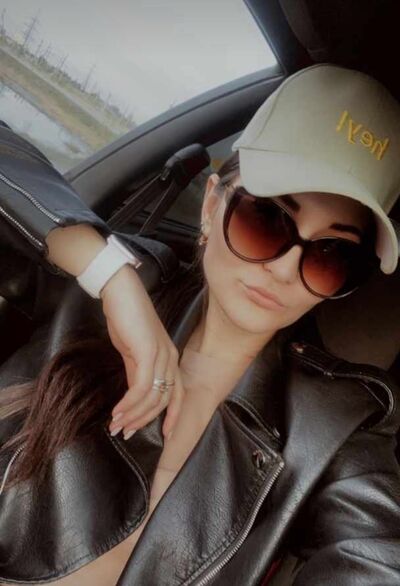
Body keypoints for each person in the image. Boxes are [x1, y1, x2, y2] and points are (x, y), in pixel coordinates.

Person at [0, 63, 400, 585]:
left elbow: (377, 562)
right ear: (212, 205)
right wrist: (110, 276)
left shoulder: (336, 427)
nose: (284, 269)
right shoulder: (104, 290)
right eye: (266, 218)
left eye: (330, 253)